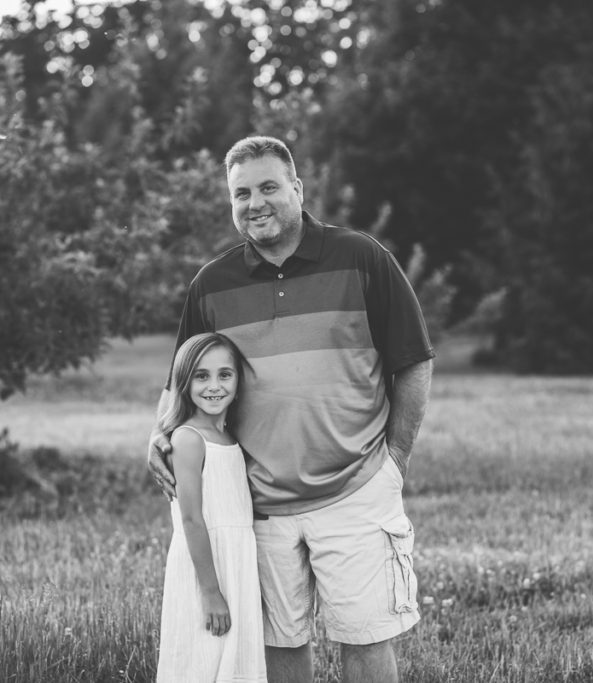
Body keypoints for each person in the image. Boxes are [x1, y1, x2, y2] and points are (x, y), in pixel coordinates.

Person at [147, 135, 434, 683]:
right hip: (262, 505)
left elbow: (413, 361)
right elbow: (181, 378)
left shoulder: (362, 257)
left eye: (268, 187)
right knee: (279, 644)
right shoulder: (212, 284)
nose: (254, 203)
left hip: (357, 493)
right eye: (240, 194)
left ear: (297, 189)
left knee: (367, 639)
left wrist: (395, 458)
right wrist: (157, 434)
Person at [155, 332, 267, 683]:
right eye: (201, 376)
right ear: (184, 383)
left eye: (224, 374)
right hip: (205, 569)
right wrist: (210, 590)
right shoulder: (189, 438)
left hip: (236, 564)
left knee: (233, 662)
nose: (214, 386)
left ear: (238, 380)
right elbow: (191, 519)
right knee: (200, 662)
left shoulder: (232, 436)